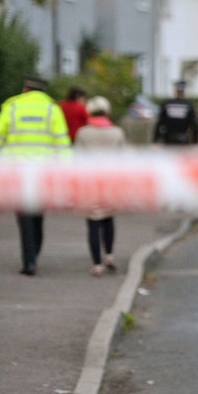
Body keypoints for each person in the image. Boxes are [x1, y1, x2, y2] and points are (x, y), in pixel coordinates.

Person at [0, 75, 71, 276]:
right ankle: (34, 255)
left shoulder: (11, 108)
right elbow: (62, 144)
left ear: (25, 89)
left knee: (24, 218)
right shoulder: (52, 110)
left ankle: (29, 261)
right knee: (37, 216)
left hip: (16, 172)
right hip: (43, 173)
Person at [74, 95, 128, 277]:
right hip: (111, 182)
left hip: (89, 183)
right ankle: (110, 255)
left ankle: (97, 264)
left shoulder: (83, 133)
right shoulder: (117, 132)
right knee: (108, 219)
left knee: (93, 224)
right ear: (107, 111)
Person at [153, 79, 198, 145]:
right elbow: (194, 125)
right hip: (183, 139)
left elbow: (160, 123)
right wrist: (195, 140)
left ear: (175, 90)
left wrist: (155, 139)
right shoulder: (188, 105)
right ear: (183, 91)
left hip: (168, 139)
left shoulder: (167, 104)